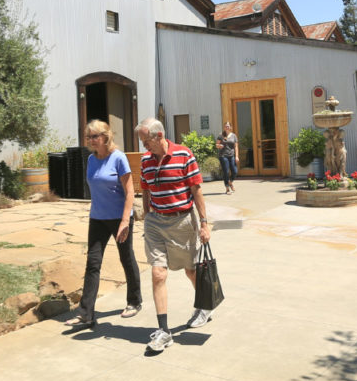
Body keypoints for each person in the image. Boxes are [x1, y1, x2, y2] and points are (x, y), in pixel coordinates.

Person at [136, 117, 213, 352]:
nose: (143, 146)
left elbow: (196, 189)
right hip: (156, 223)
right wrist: (148, 215)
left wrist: (204, 223)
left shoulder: (184, 155)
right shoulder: (146, 161)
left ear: (159, 136)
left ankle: (204, 306)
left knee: (190, 270)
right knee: (158, 274)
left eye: (145, 141)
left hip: (182, 222)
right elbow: (146, 189)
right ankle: (164, 331)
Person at [64, 120, 142, 328]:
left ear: (105, 136)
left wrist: (126, 220)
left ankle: (134, 301)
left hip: (119, 218)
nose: (90, 140)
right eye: (88, 136)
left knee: (126, 257)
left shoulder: (119, 158)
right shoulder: (91, 159)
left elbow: (130, 192)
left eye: (94, 136)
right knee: (93, 263)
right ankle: (86, 313)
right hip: (97, 217)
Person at [216, 122, 239, 194]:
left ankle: (230, 182)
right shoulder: (221, 135)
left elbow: (236, 146)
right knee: (226, 171)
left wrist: (237, 156)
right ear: (224, 127)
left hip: (231, 156)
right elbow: (216, 144)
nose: (227, 127)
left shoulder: (234, 136)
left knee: (235, 171)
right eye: (226, 126)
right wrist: (219, 146)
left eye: (228, 126)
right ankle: (227, 188)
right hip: (223, 156)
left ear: (231, 127)